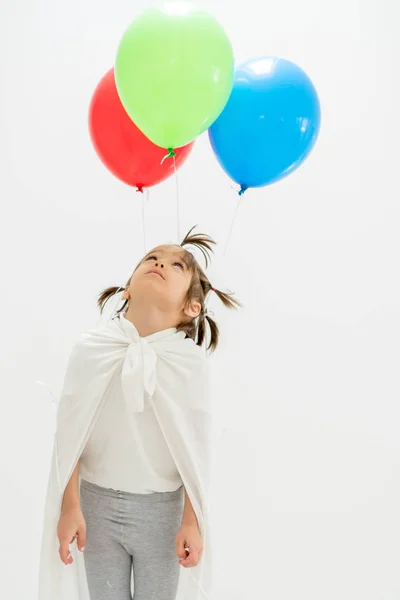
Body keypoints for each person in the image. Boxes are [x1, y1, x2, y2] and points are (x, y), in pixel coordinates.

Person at [38, 226, 240, 600]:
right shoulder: (92, 349)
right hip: (96, 508)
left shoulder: (188, 363)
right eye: (152, 257)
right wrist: (69, 507)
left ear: (191, 308)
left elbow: (197, 451)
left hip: (162, 515)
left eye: (177, 265)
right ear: (127, 288)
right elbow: (69, 436)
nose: (160, 262)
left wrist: (192, 522)